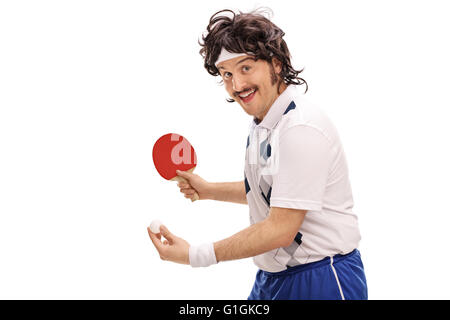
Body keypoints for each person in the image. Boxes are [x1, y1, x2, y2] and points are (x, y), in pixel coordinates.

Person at [148, 8, 368, 300]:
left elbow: (280, 229)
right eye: (227, 74)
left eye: (245, 68)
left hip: (322, 277)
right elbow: (272, 192)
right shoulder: (263, 124)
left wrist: (194, 255)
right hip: (273, 279)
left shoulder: (300, 128)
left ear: (276, 65)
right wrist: (208, 190)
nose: (236, 85)